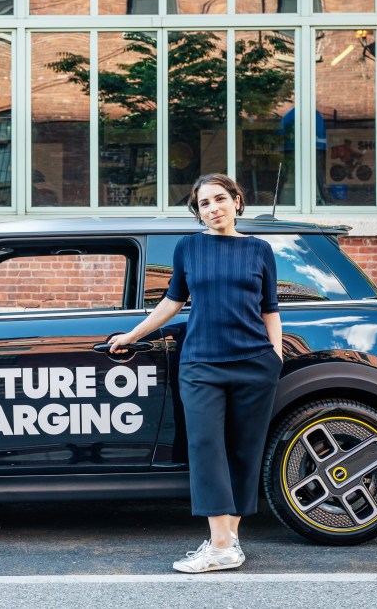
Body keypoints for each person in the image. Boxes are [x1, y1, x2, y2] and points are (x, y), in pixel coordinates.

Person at [109, 173, 282, 573]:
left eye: (220, 199)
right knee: (206, 448)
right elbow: (172, 302)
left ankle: (227, 541)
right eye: (204, 204)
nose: (213, 208)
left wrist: (274, 356)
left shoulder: (260, 250)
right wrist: (132, 334)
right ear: (198, 212)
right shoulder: (189, 248)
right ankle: (221, 544)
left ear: (237, 201)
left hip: (255, 364)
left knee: (244, 451)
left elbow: (270, 309)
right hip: (201, 364)